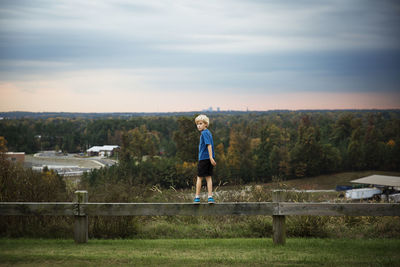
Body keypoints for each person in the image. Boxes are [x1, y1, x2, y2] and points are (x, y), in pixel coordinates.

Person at [194, 114, 217, 204]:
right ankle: (210, 197)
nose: (198, 125)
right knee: (208, 177)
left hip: (204, 158)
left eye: (200, 123)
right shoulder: (208, 132)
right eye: (197, 124)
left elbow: (209, 145)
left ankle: (197, 197)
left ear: (206, 124)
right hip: (208, 158)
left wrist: (210, 157)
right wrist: (211, 157)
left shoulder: (204, 133)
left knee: (199, 178)